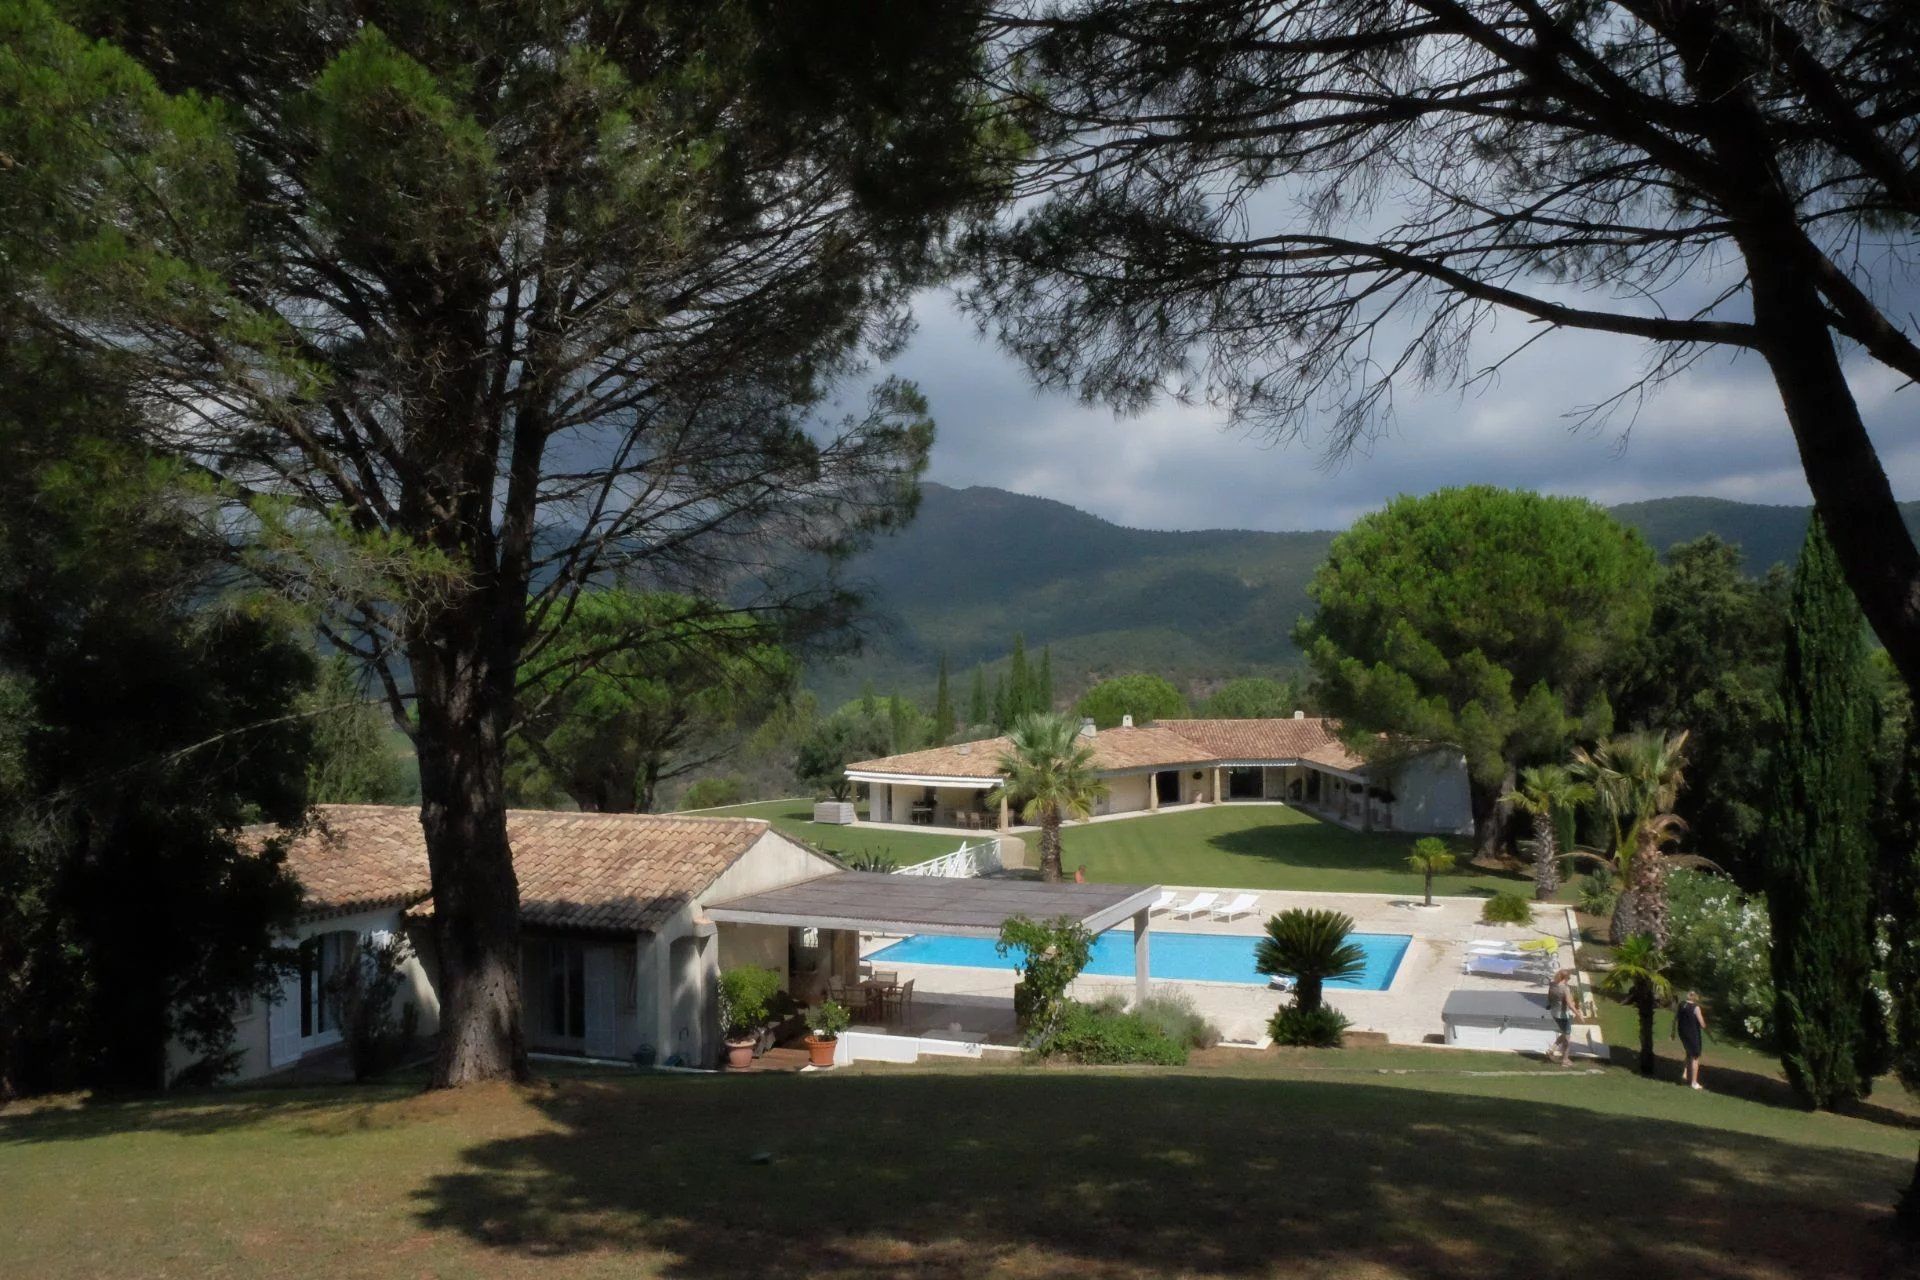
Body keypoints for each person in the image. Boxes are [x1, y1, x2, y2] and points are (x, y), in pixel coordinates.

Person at [1674, 991, 1707, 1090]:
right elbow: (1702, 1024)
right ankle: (1694, 1082)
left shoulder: (1682, 1005)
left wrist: (1672, 1032)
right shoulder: (1696, 1008)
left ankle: (1685, 1074)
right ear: (1696, 998)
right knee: (1695, 1057)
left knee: (1688, 1053)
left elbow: (1676, 1018)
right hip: (1693, 1034)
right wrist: (1704, 1025)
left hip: (1683, 1033)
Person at [1546, 968, 1577, 1066]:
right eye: (1569, 978)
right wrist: (1578, 1013)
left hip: (1554, 1013)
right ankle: (1565, 1060)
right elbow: (1570, 1004)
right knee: (1567, 1038)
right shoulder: (1565, 988)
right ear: (1566, 978)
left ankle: (1551, 1050)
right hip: (1563, 1015)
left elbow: (1550, 998)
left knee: (1564, 1034)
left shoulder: (1552, 985)